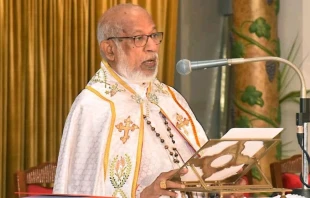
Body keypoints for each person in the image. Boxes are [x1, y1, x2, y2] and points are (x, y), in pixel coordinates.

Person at [53, 3, 244, 198]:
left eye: (153, 36)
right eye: (138, 38)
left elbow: (203, 170)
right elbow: (82, 191)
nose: (152, 47)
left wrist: (220, 187)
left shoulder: (169, 98)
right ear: (110, 49)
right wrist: (146, 195)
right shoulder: (93, 107)